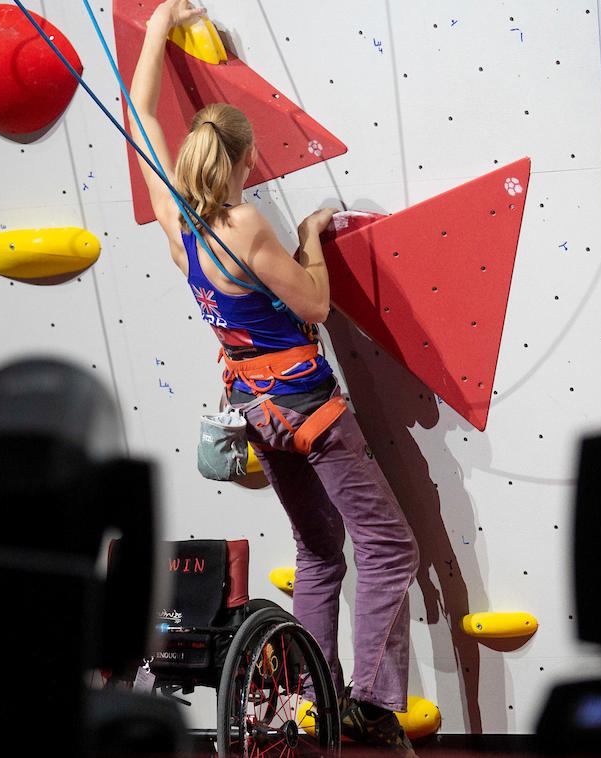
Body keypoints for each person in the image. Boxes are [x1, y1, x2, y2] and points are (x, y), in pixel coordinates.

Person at [128, 1, 419, 752]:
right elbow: (315, 305)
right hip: (312, 412)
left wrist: (159, 27)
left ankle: (307, 700)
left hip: (260, 414)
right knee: (389, 548)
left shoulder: (175, 222)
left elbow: (139, 113)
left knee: (321, 552)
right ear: (243, 161)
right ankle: (368, 703)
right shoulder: (244, 225)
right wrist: (311, 236)